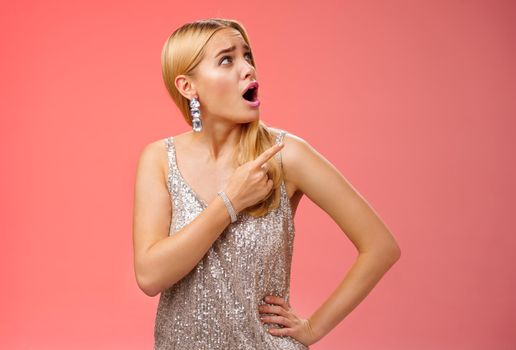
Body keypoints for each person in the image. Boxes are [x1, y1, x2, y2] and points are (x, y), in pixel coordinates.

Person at [132, 18, 401, 350]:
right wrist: (229, 202)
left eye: (247, 56)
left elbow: (380, 247)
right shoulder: (159, 159)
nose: (248, 69)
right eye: (227, 59)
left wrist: (314, 328)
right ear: (188, 87)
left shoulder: (288, 156)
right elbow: (149, 276)